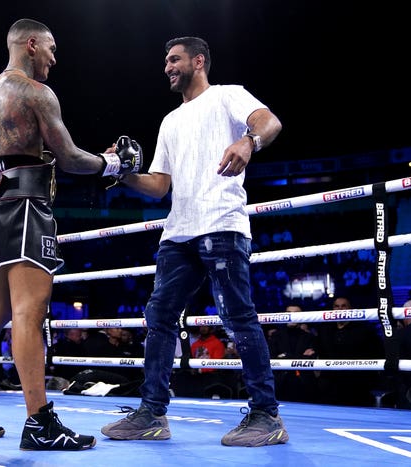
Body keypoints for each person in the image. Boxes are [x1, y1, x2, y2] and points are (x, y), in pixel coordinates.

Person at [0, 18, 141, 451]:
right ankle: (39, 421)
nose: (53, 57)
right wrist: (112, 165)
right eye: (50, 48)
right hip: (28, 209)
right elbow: (67, 157)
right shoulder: (36, 93)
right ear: (31, 45)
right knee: (30, 311)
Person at [100, 36, 287, 447]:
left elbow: (269, 121)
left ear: (197, 61)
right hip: (178, 231)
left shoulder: (227, 96)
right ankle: (152, 414)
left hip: (221, 222)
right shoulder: (170, 121)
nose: (167, 67)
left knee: (238, 317)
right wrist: (122, 172)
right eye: (165, 60)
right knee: (159, 316)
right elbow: (158, 186)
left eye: (174, 59)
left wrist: (248, 141)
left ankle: (266, 415)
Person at [315, 296, 385, 406]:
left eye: (344, 306)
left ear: (350, 309)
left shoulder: (364, 330)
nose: (340, 309)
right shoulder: (325, 329)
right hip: (330, 381)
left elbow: (377, 352)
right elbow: (320, 350)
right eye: (336, 306)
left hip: (356, 382)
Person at [267, 302, 319, 403]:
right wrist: (301, 356)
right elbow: (272, 358)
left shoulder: (309, 337)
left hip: (304, 384)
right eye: (289, 313)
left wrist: (285, 356)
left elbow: (311, 359)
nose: (291, 316)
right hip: (281, 383)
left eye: (295, 313)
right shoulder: (276, 336)